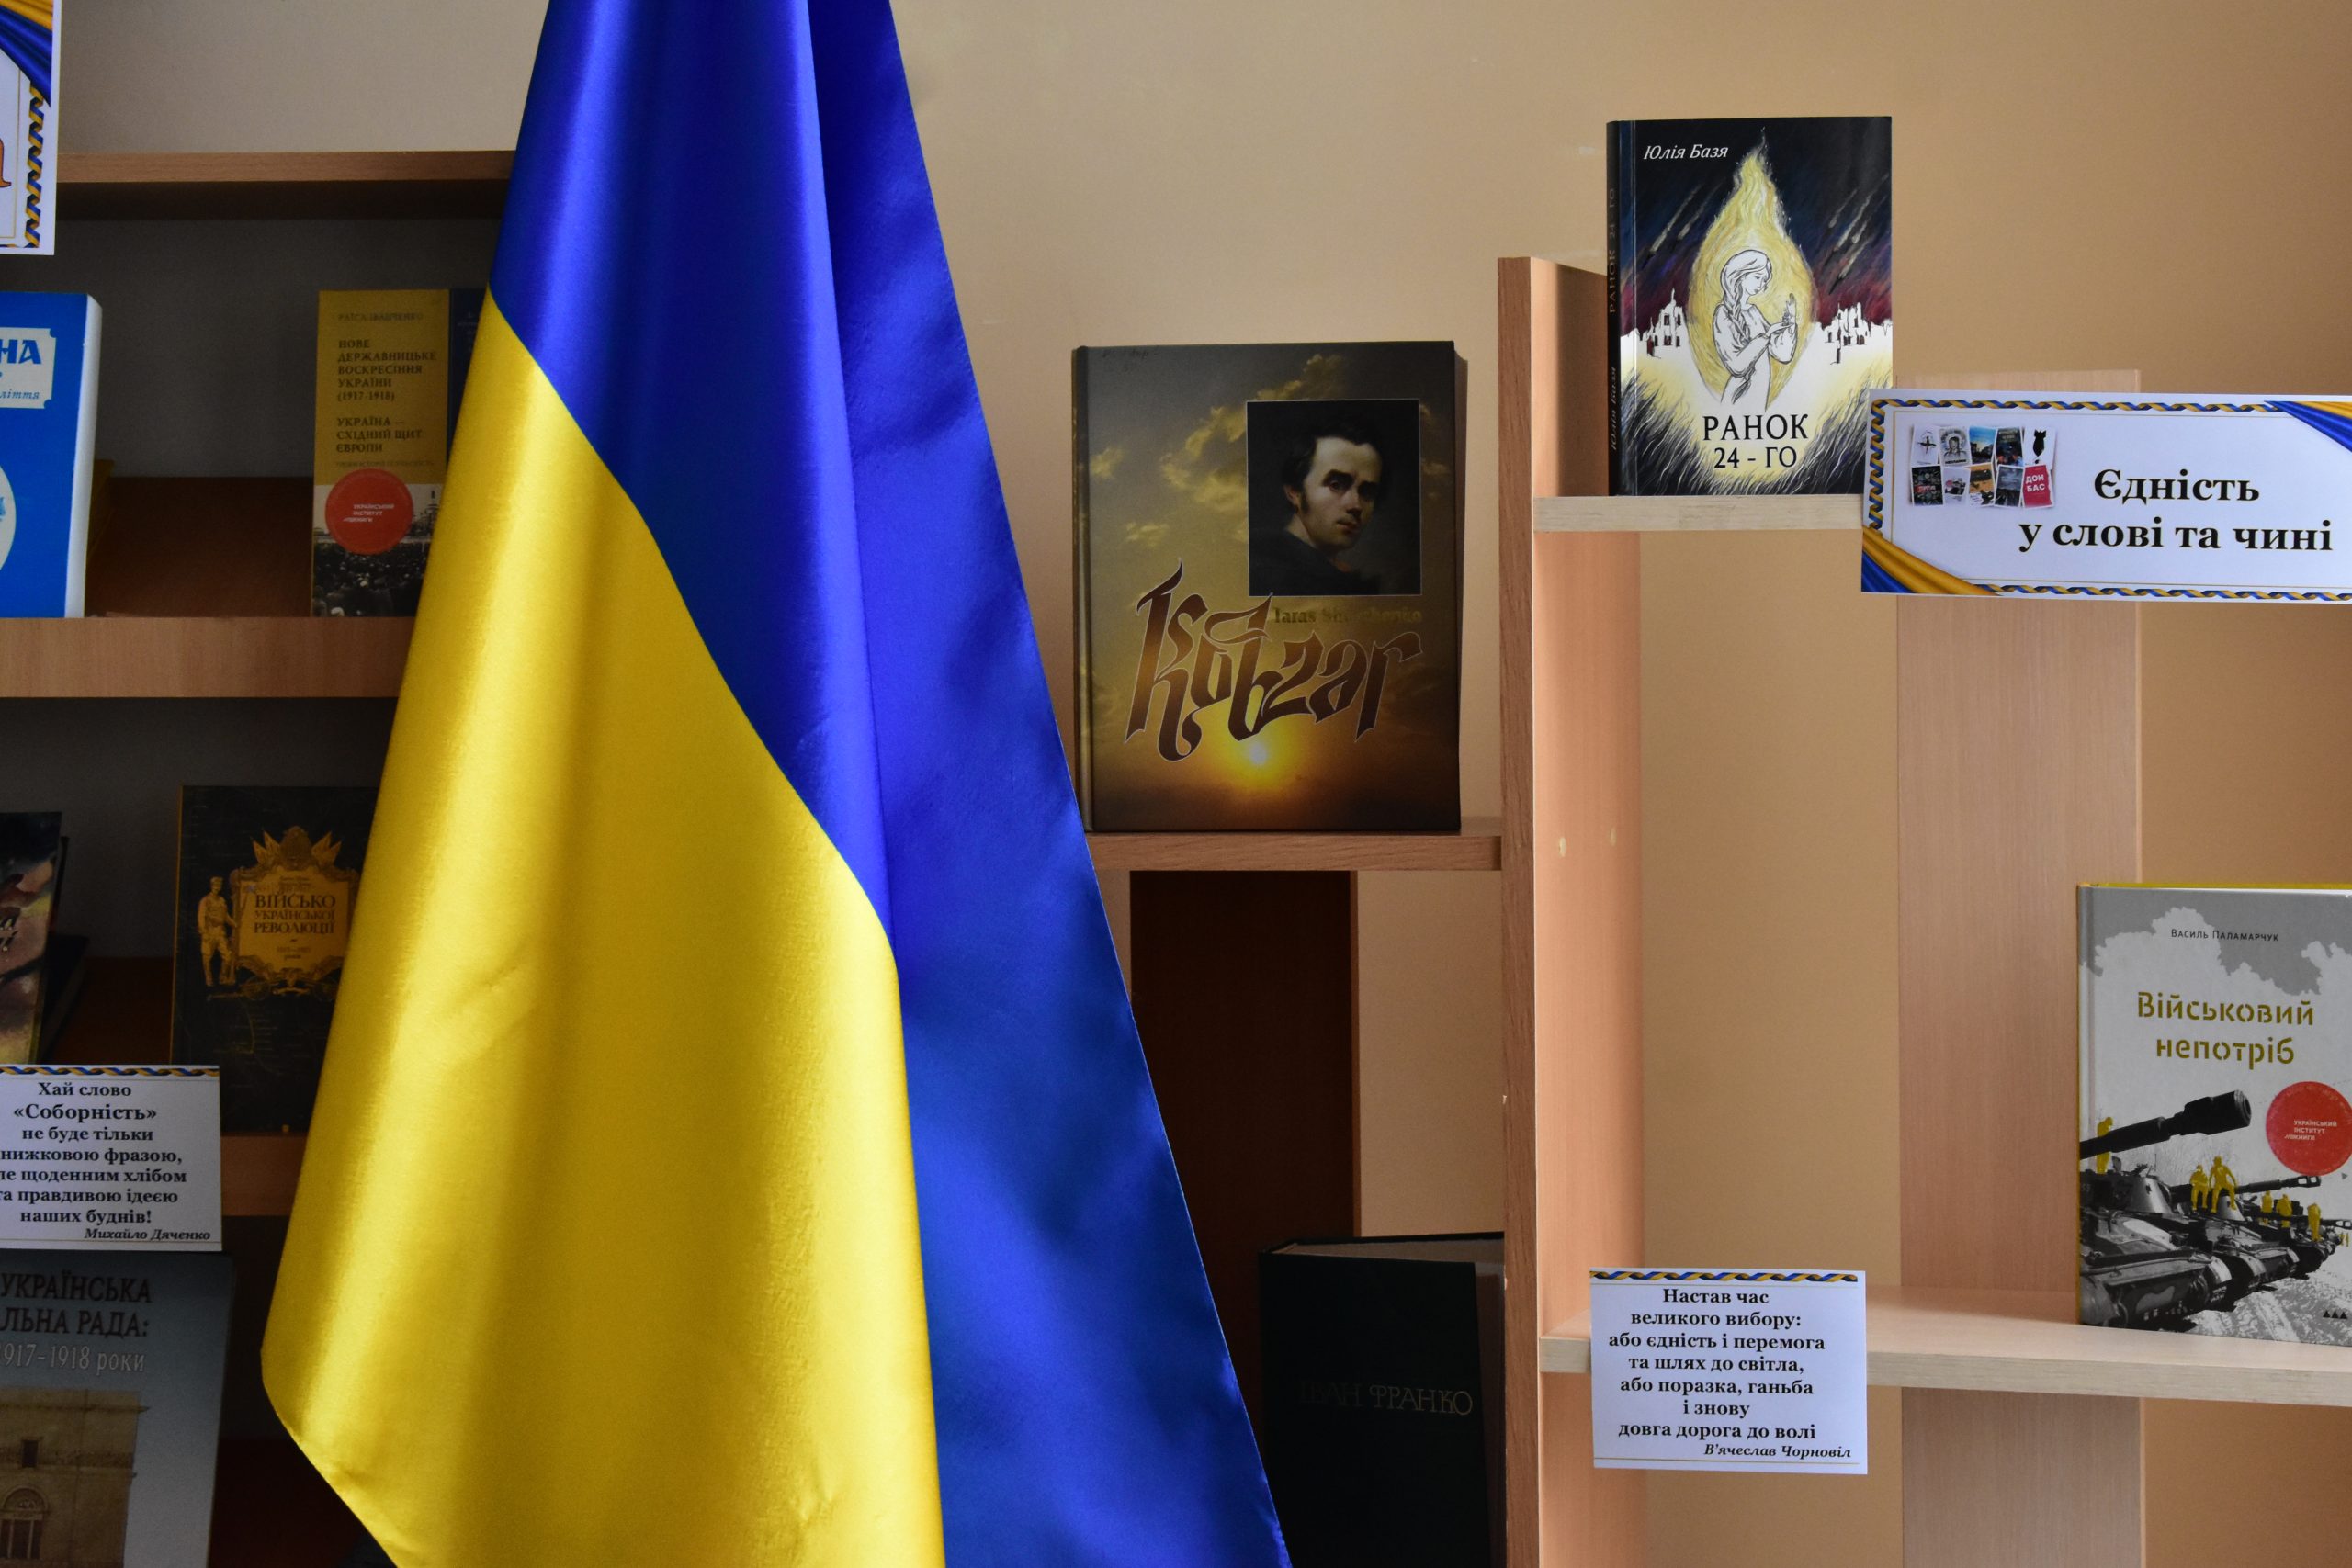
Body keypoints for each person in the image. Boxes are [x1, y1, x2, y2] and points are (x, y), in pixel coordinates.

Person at [1250, 415, 1389, 596]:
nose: (1356, 505)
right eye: (1336, 485)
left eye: (1367, 492)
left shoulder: (1342, 578)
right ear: (1295, 492)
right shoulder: (1266, 571)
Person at [1712, 247, 1795, 410]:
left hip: (1759, 393)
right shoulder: (1723, 313)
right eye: (1757, 277)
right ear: (1740, 275)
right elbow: (1736, 366)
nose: (1761, 284)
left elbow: (1782, 354)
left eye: (1764, 280)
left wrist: (1790, 322)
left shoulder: (1753, 312)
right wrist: (1766, 336)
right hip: (1740, 395)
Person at [198, 875, 234, 987]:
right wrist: (203, 932)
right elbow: (201, 917)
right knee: (207, 957)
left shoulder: (222, 900)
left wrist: (234, 924)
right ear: (212, 886)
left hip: (221, 932)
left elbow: (226, 916)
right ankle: (208, 979)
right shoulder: (205, 900)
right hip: (209, 931)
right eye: (216, 885)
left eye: (219, 885)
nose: (217, 887)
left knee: (227, 957)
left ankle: (222, 978)